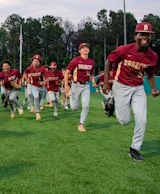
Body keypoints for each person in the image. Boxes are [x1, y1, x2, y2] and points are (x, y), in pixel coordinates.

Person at [103, 22, 159, 161]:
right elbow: (108, 61)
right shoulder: (124, 50)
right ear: (135, 36)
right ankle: (113, 101)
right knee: (124, 121)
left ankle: (135, 149)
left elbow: (150, 74)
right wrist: (105, 82)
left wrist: (153, 88)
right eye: (142, 34)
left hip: (138, 88)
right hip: (121, 85)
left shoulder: (152, 56)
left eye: (148, 35)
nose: (145, 37)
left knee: (142, 119)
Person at [64, 42, 97, 132]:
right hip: (75, 85)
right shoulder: (75, 60)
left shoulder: (91, 62)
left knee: (86, 106)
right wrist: (66, 85)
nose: (85, 49)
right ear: (79, 51)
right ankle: (69, 96)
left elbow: (92, 74)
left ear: (89, 50)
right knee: (74, 108)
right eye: (83, 48)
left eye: (87, 48)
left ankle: (81, 124)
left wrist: (93, 82)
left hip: (86, 86)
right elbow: (67, 72)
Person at [23, 54, 47, 121]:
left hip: (41, 87)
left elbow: (47, 76)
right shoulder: (29, 68)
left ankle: (35, 108)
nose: (35, 62)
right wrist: (26, 80)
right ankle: (36, 111)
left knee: (38, 99)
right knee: (32, 95)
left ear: (40, 62)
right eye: (34, 61)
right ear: (32, 62)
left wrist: (44, 82)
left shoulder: (42, 68)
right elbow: (25, 74)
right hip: (32, 84)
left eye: (37, 61)